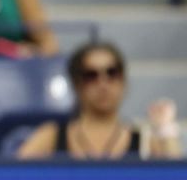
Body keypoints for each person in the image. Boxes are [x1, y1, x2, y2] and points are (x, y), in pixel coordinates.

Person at [16, 42, 181, 159]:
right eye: (91, 75)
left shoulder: (144, 141)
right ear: (76, 84)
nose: (103, 84)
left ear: (124, 81)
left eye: (112, 73)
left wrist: (165, 131)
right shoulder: (51, 136)